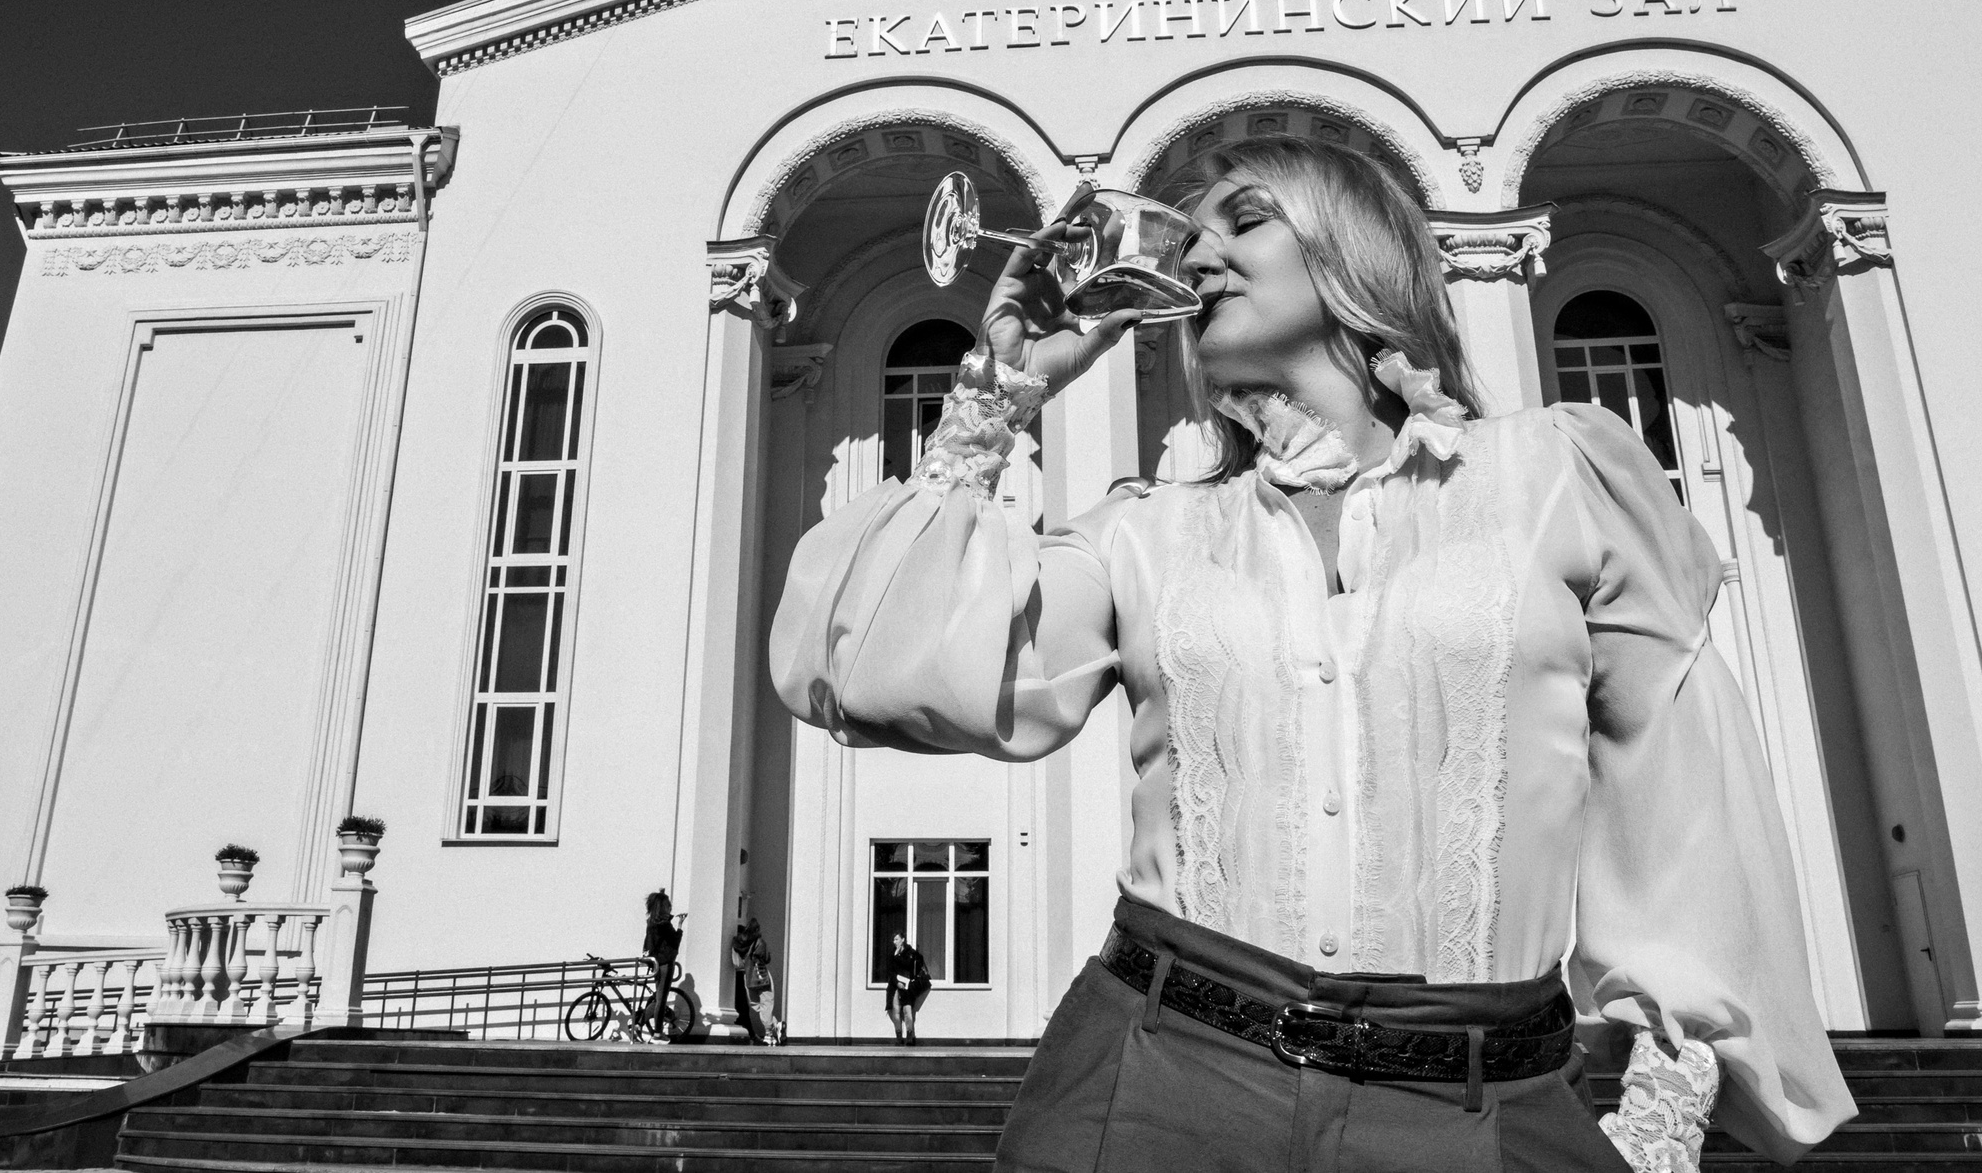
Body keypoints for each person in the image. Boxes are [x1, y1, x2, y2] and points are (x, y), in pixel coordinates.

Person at [771, 136, 1855, 1172]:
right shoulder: (1141, 534)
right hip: (1155, 1081)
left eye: (1243, 219)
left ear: (1355, 253)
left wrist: (1659, 1105)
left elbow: (1674, 799)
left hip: (1481, 1102)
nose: (1196, 253)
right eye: (1188, 235)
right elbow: (875, 674)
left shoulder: (1555, 477)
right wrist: (995, 397)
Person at [641, 889, 683, 1041]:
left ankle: (639, 1023)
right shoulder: (664, 925)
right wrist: (680, 925)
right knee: (661, 999)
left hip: (656, 963)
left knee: (658, 997)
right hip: (666, 962)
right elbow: (675, 942)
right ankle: (657, 1033)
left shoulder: (651, 923)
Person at [733, 913, 777, 1045]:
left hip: (748, 975)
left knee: (755, 1004)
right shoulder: (759, 942)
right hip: (761, 975)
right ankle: (770, 1032)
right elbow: (766, 958)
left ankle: (774, 1026)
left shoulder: (738, 943)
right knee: (767, 1002)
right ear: (757, 930)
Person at [884, 929, 932, 1045]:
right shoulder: (892, 953)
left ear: (902, 940)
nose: (894, 942)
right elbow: (890, 970)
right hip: (895, 985)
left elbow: (908, 966)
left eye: (896, 939)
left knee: (907, 1010)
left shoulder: (909, 952)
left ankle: (910, 1036)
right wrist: (896, 983)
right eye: (893, 940)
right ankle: (899, 1037)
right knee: (895, 1011)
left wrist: (898, 956)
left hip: (907, 986)